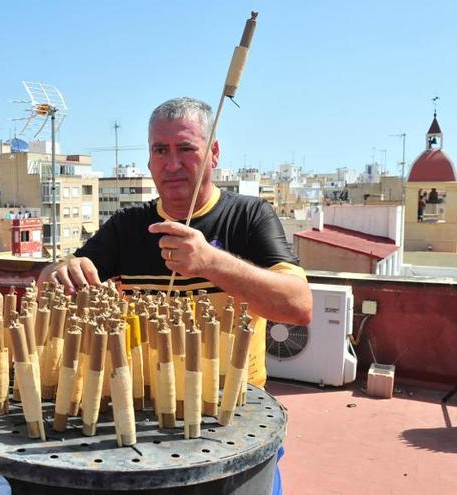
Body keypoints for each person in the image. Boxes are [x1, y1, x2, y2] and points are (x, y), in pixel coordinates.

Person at [38, 97, 312, 493]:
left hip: (233, 418)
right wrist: (57, 272)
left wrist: (211, 263)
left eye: (186, 149)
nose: (172, 164)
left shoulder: (250, 216)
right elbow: (56, 281)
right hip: (144, 424)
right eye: (160, 150)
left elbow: (298, 306)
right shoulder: (127, 226)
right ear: (148, 161)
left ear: (213, 153)